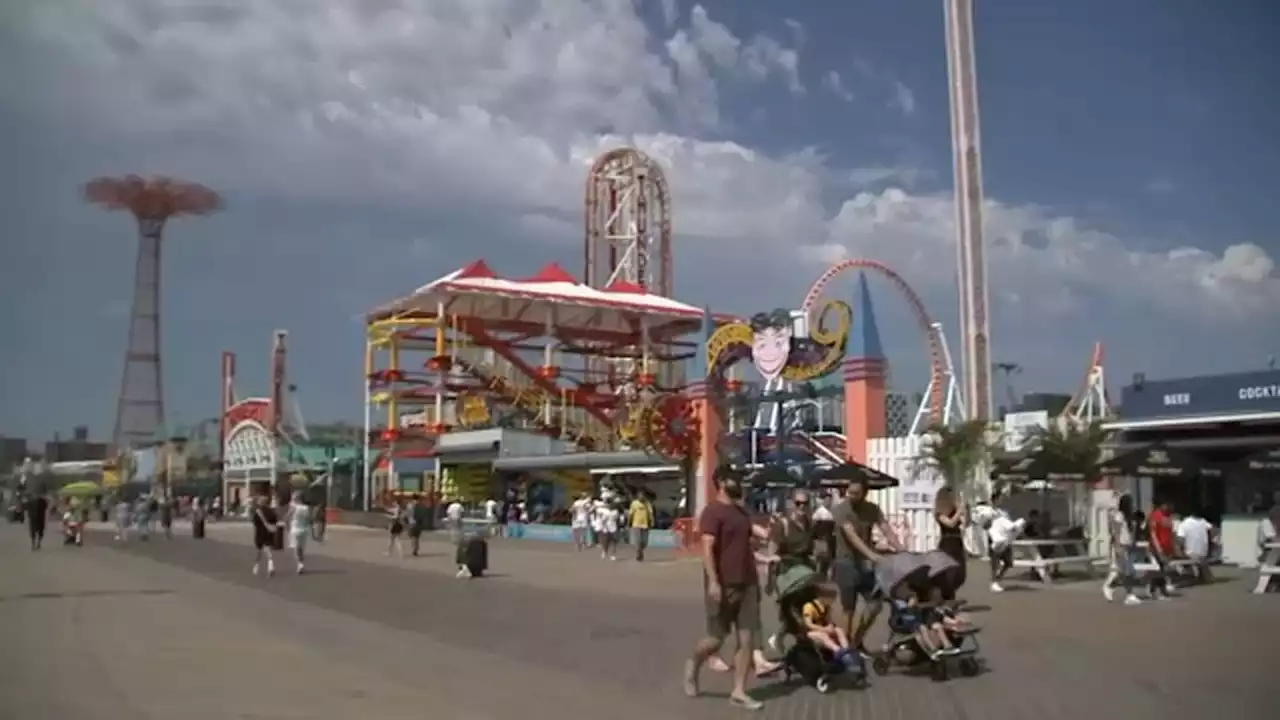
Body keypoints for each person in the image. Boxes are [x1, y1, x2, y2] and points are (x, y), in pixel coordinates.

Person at [684, 474, 773, 711]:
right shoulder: (713, 512)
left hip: (748, 582)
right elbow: (707, 549)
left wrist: (765, 547)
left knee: (747, 638)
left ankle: (739, 691)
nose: (738, 483)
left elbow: (746, 544)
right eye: (733, 479)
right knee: (715, 640)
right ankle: (694, 664)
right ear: (722, 484)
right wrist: (714, 582)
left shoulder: (742, 513)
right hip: (724, 584)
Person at [832, 476, 902, 660]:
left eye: (856, 493)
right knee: (849, 609)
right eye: (850, 492)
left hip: (864, 566)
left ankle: (856, 641)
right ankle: (846, 650)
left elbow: (886, 529)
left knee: (875, 603)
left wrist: (901, 549)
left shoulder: (872, 509)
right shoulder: (841, 509)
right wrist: (873, 556)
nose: (852, 496)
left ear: (865, 493)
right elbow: (852, 537)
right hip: (845, 564)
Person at [799, 584, 858, 667]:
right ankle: (837, 650)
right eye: (831, 598)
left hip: (823, 628)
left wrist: (830, 626)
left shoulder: (826, 607)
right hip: (811, 633)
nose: (833, 601)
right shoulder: (809, 606)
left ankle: (846, 650)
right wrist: (824, 629)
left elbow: (828, 619)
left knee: (839, 630)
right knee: (822, 635)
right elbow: (808, 624)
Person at [1102, 493, 1142, 605]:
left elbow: (1132, 532)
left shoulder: (1130, 517)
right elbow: (1116, 532)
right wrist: (1117, 547)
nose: (1132, 505)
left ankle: (1109, 586)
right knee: (1127, 571)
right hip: (1121, 545)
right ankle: (1129, 595)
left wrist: (1133, 543)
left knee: (1125, 571)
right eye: (1130, 503)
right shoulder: (1118, 516)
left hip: (1129, 545)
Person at [984, 493, 1025, 593]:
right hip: (994, 540)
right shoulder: (988, 512)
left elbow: (1009, 525)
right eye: (1000, 499)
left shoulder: (1003, 512)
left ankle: (997, 578)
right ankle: (994, 583)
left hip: (1005, 539)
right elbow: (985, 525)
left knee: (1008, 562)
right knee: (995, 562)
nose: (1001, 501)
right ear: (994, 500)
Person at [933, 487, 966, 599]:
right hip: (947, 543)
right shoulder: (939, 513)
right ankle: (948, 597)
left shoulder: (954, 511)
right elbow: (950, 524)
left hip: (958, 542)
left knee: (961, 574)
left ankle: (947, 595)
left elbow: (965, 523)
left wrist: (964, 511)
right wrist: (959, 511)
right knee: (950, 573)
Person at [1147, 498, 1177, 599]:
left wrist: (1173, 546)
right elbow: (1153, 533)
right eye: (1166, 504)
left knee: (1164, 570)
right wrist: (1158, 547)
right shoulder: (1156, 515)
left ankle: (1161, 589)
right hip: (1157, 547)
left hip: (1167, 547)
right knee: (1158, 569)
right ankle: (1154, 591)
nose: (1168, 507)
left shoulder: (1169, 516)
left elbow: (1171, 533)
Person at [1175, 510, 1214, 584]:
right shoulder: (1203, 521)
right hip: (1203, 552)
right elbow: (1212, 530)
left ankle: (1188, 574)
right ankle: (1202, 575)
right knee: (1201, 560)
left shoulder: (1183, 524)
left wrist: (1178, 550)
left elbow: (1180, 540)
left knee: (1177, 554)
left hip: (1190, 553)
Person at [251, 494, 280, 577]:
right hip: (269, 532)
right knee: (267, 548)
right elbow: (276, 520)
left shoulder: (257, 511)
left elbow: (255, 523)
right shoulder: (271, 511)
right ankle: (270, 564)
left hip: (260, 532)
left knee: (259, 550)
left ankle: (256, 566)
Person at [286, 492, 313, 574]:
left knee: (296, 548)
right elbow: (309, 519)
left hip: (295, 529)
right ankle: (301, 564)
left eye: (293, 498)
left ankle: (299, 564)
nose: (292, 499)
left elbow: (287, 517)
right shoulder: (306, 508)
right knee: (301, 548)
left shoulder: (293, 507)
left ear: (297, 499)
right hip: (305, 530)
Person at [628, 491, 655, 561]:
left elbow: (650, 513)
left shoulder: (647, 504)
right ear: (637, 496)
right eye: (640, 496)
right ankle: (638, 554)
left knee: (644, 543)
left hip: (645, 525)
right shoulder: (634, 503)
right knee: (638, 541)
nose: (641, 497)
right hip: (636, 524)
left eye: (642, 496)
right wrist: (629, 522)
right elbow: (631, 514)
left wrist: (652, 521)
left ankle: (640, 551)